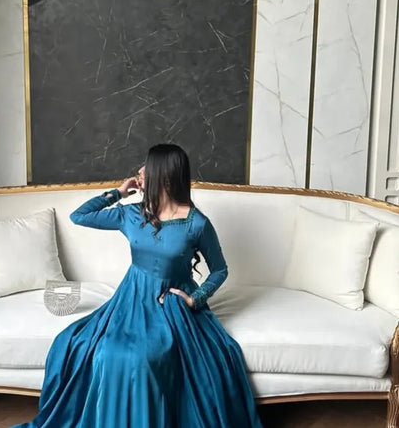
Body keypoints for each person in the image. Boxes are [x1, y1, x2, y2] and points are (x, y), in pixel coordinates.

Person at [13, 144, 262, 428]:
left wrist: (194, 299)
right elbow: (78, 216)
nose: (140, 171)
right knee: (82, 345)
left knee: (145, 357)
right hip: (131, 297)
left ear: (164, 175)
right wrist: (118, 193)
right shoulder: (131, 214)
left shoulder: (196, 223)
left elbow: (220, 269)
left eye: (147, 166)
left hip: (171, 305)